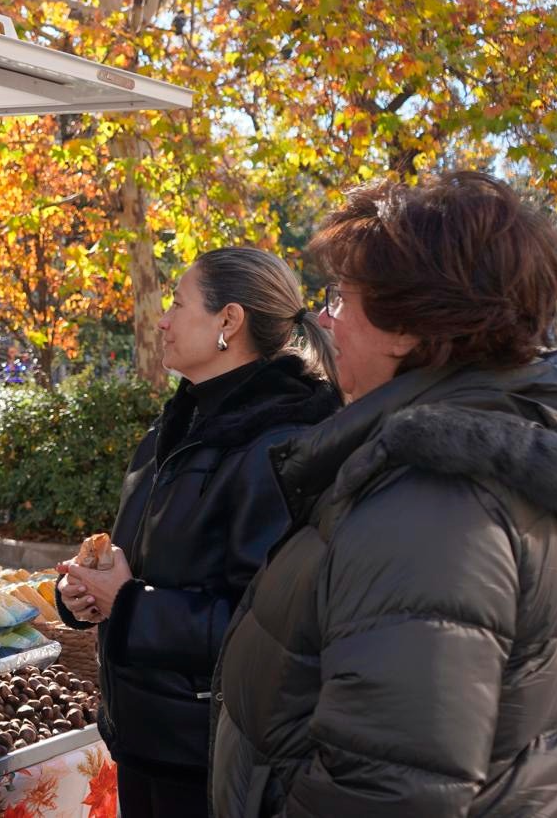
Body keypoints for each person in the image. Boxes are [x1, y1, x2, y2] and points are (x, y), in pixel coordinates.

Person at [211, 173, 557, 818]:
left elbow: (389, 793)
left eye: (341, 298)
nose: (324, 317)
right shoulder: (444, 464)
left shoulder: (435, 504)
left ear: (407, 326)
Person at [56, 247, 342, 818]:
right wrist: (88, 593)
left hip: (211, 760)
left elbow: (271, 627)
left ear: (228, 322)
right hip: (148, 740)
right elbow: (147, 562)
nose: (161, 319)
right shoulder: (179, 423)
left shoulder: (277, 444)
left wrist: (130, 604)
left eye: (178, 304)